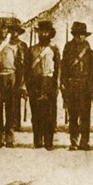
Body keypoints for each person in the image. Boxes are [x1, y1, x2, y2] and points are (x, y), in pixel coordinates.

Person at [0, 17, 27, 148]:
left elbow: (21, 66)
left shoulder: (15, 45)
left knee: (10, 110)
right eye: (1, 29)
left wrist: (21, 83)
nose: (3, 31)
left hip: (11, 78)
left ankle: (9, 139)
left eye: (5, 29)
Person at [62, 21, 93, 150]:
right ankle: (74, 141)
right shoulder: (68, 49)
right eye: (77, 34)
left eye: (82, 34)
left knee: (85, 116)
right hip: (71, 85)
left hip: (85, 86)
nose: (80, 37)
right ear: (74, 35)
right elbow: (64, 67)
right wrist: (63, 83)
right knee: (73, 115)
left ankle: (84, 141)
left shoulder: (89, 52)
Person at [30, 21, 60, 149]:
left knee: (49, 113)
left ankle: (49, 141)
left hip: (49, 81)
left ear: (50, 34)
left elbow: (58, 68)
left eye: (46, 32)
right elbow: (28, 68)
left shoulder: (54, 49)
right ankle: (38, 140)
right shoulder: (32, 49)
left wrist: (57, 84)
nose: (44, 34)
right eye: (41, 32)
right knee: (36, 112)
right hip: (35, 82)